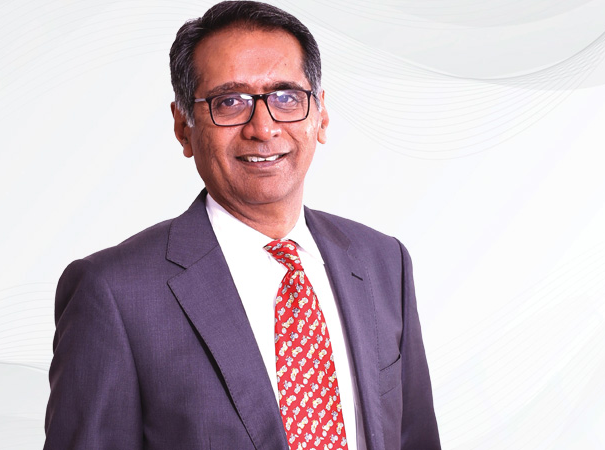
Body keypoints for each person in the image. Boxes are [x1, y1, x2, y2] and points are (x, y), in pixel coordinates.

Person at [43, 2, 440, 449]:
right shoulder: (114, 293)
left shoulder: (383, 262)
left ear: (321, 115)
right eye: (229, 102)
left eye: (286, 97)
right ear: (183, 127)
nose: (263, 128)